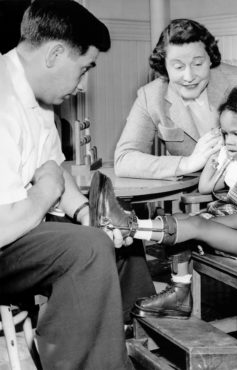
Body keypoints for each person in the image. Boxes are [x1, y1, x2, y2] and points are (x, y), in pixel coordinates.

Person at [0, 1, 135, 369]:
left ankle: (123, 343)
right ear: (55, 54)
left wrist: (84, 212)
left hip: (22, 226)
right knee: (87, 249)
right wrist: (45, 191)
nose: (82, 85)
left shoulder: (36, 98)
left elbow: (55, 168)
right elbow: (6, 224)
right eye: (83, 68)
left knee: (115, 233)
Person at [129, 79, 237, 319]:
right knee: (185, 220)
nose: (230, 140)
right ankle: (179, 292)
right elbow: (205, 187)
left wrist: (204, 225)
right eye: (225, 134)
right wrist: (218, 157)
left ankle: (128, 227)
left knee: (193, 225)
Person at [114, 18, 237, 180]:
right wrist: (187, 163)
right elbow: (123, 159)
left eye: (198, 64)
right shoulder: (150, 96)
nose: (189, 77)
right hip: (190, 195)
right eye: (178, 67)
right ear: (164, 65)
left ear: (210, 59)